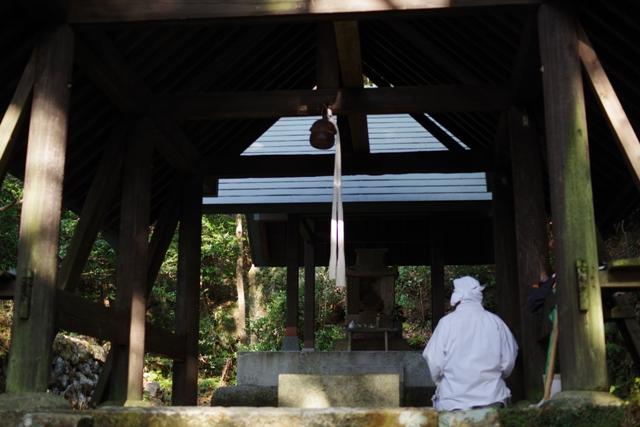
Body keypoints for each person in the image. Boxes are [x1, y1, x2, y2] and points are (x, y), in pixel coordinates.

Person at [422, 276, 518, 411]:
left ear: (457, 297)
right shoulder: (495, 322)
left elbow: (434, 361)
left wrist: (441, 381)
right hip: (492, 399)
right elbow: (509, 360)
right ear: (479, 295)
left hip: (452, 402)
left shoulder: (446, 323)